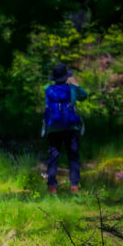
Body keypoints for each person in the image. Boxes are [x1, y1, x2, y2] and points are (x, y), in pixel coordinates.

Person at [42, 63, 89, 195]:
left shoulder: (48, 89)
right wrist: (74, 83)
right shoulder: (72, 89)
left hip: (53, 128)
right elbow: (84, 96)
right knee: (73, 157)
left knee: (53, 158)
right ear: (66, 77)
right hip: (71, 127)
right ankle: (74, 187)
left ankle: (52, 188)